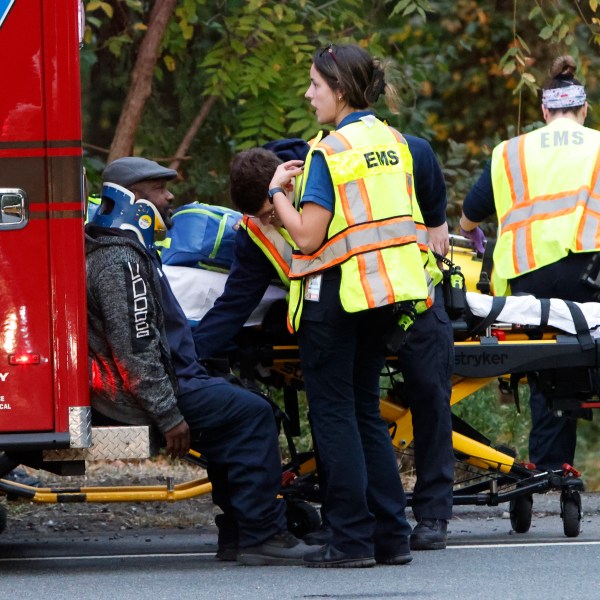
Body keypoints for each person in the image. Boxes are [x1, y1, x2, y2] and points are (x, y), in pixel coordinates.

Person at [193, 140, 454, 552]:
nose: (273, 222)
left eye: (271, 209)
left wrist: (438, 220)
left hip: (414, 297)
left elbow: (419, 152)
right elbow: (233, 305)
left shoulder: (328, 165)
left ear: (288, 179)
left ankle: (430, 514)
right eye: (263, 216)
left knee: (427, 395)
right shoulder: (257, 232)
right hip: (350, 311)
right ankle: (375, 531)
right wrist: (185, 356)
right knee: (350, 418)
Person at [265, 43, 453, 567]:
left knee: (334, 417)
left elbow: (306, 237)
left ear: (340, 90)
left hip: (335, 299)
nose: (308, 94)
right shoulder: (394, 143)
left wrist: (276, 192)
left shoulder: (329, 151)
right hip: (385, 296)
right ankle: (390, 536)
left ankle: (350, 539)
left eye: (315, 86)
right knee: (364, 412)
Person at [85, 156, 311, 566]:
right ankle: (262, 534)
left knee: (235, 405)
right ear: (134, 198)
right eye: (159, 189)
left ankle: (239, 533)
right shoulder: (120, 261)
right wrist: (168, 415)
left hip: (154, 385)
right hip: (140, 395)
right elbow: (135, 350)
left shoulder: (125, 251)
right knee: (253, 414)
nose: (170, 197)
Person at [460, 55, 600, 472]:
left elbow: (471, 213)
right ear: (584, 109)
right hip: (592, 274)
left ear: (543, 111)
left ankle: (552, 471)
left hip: (530, 283)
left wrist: (471, 231)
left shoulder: (510, 153)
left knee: (549, 366)